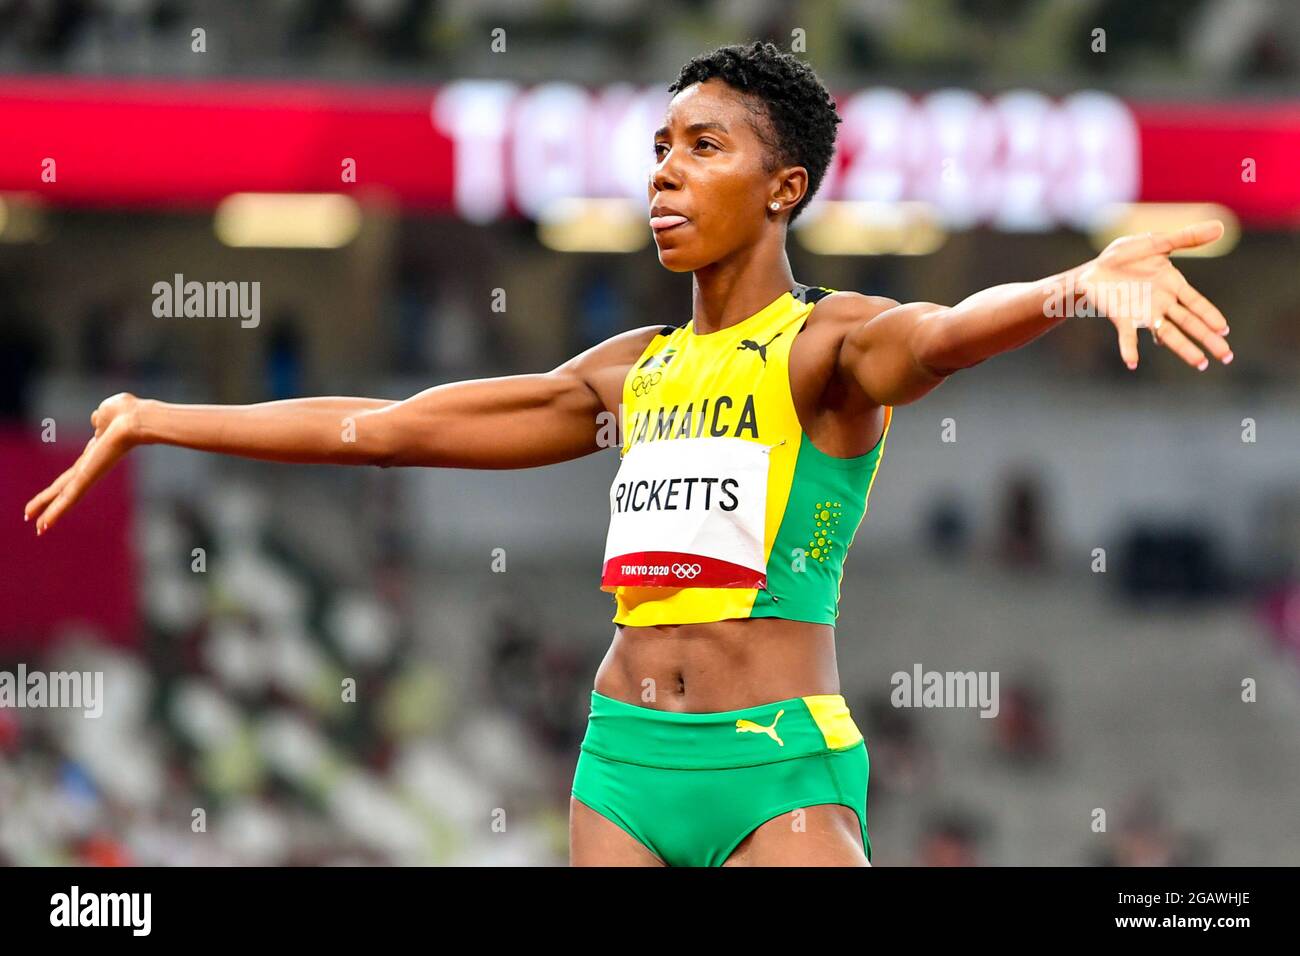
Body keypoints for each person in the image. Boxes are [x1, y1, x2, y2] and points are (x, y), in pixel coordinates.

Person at [24, 41, 1232, 866]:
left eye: (703, 147)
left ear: (783, 186)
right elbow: (385, 427)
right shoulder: (624, 372)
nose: (662, 170)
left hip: (774, 765)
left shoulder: (828, 347)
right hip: (619, 760)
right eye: (659, 146)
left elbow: (950, 334)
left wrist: (1074, 283)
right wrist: (160, 417)